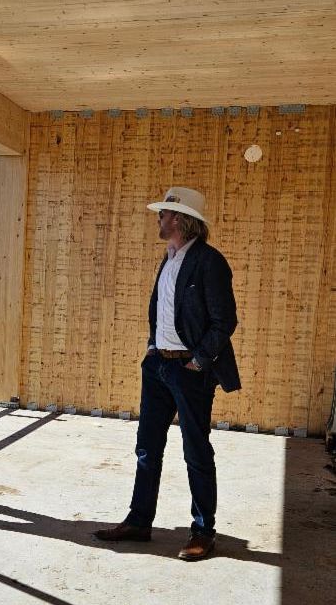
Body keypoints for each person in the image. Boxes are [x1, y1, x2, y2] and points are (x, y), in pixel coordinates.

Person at [94, 187, 240, 561]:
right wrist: (151, 347)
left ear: (179, 219)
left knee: (196, 450)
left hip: (190, 369)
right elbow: (162, 311)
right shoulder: (169, 258)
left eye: (163, 214)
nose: (158, 219)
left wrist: (198, 360)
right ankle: (140, 521)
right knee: (147, 447)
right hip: (158, 365)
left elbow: (225, 321)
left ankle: (203, 532)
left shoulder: (209, 261)